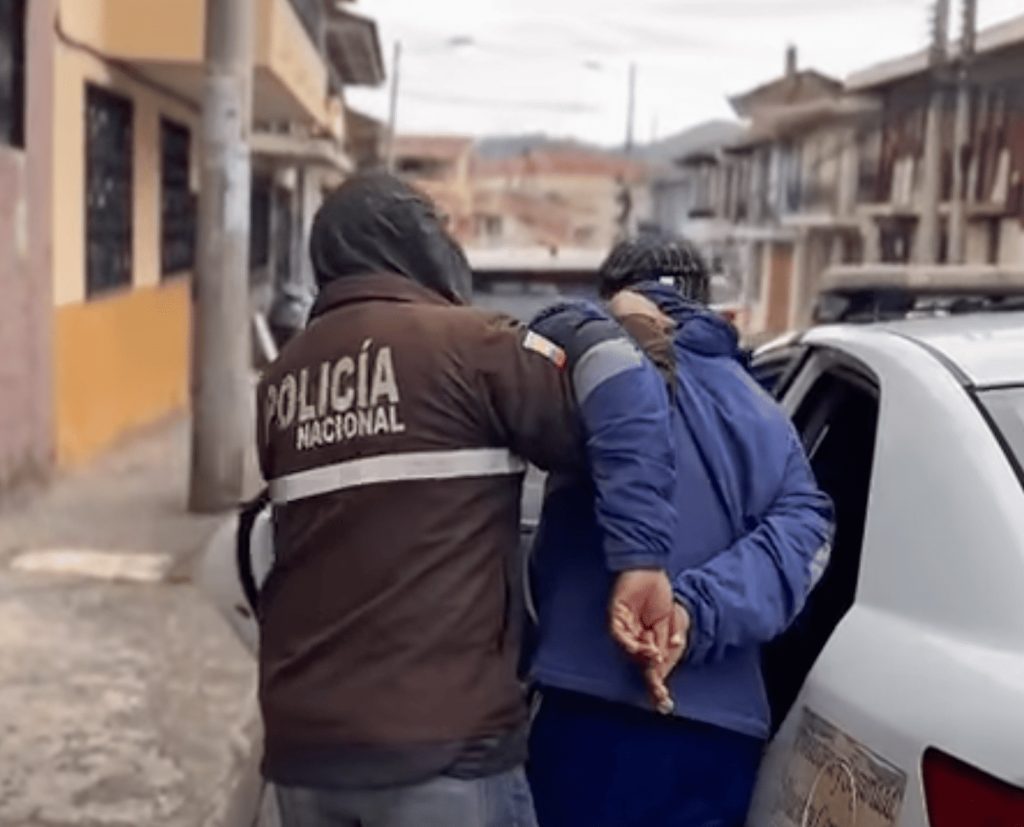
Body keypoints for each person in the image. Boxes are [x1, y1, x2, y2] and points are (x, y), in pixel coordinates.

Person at [255, 173, 679, 827]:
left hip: (304, 751)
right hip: (443, 743)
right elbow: (608, 418)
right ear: (411, 242)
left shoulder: (281, 381)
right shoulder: (473, 345)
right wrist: (624, 336)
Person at [526, 236, 835, 827]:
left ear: (615, 294)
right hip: (715, 739)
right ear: (705, 302)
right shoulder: (771, 423)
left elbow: (536, 341)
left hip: (586, 713)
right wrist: (690, 615)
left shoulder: (586, 378)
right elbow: (799, 547)